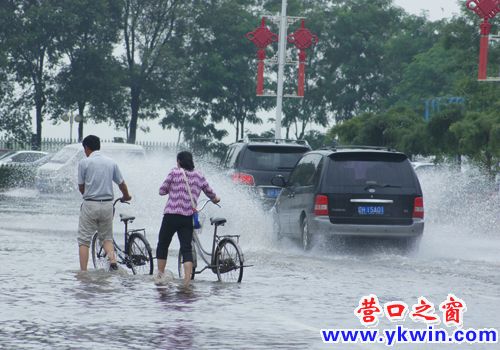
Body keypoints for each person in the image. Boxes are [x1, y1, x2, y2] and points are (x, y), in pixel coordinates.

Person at [155, 151, 220, 286]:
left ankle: (160, 276)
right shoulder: (199, 175)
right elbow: (210, 192)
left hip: (171, 216)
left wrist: (172, 190)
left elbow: (162, 190)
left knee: (163, 244)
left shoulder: (174, 172)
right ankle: (186, 281)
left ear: (179, 161)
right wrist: (215, 198)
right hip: (187, 217)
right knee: (186, 248)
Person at [77, 135, 132, 271]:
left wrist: (88, 194)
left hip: (90, 204)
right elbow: (122, 184)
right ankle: (113, 261)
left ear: (86, 148)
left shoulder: (84, 163)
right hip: (108, 205)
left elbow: (81, 187)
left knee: (84, 240)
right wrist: (126, 196)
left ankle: (83, 272)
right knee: (107, 237)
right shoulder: (111, 162)